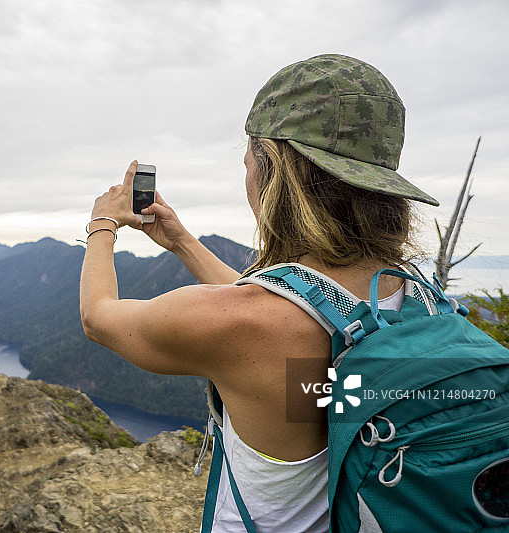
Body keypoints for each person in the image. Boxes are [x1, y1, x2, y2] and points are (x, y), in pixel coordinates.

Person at [79, 54, 439, 532]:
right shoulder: (414, 296)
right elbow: (300, 313)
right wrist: (182, 242)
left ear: (273, 174)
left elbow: (99, 317)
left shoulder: (243, 325)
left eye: (249, 162)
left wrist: (103, 223)